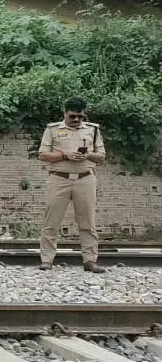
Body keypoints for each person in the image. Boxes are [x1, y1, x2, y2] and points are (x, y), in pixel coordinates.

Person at [37, 98, 106, 273]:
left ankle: (90, 260)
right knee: (51, 221)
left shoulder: (93, 130)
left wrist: (88, 155)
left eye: (80, 117)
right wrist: (64, 155)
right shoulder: (52, 130)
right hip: (59, 178)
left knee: (87, 222)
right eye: (72, 116)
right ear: (65, 113)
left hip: (85, 178)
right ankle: (47, 260)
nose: (76, 120)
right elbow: (43, 155)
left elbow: (102, 156)